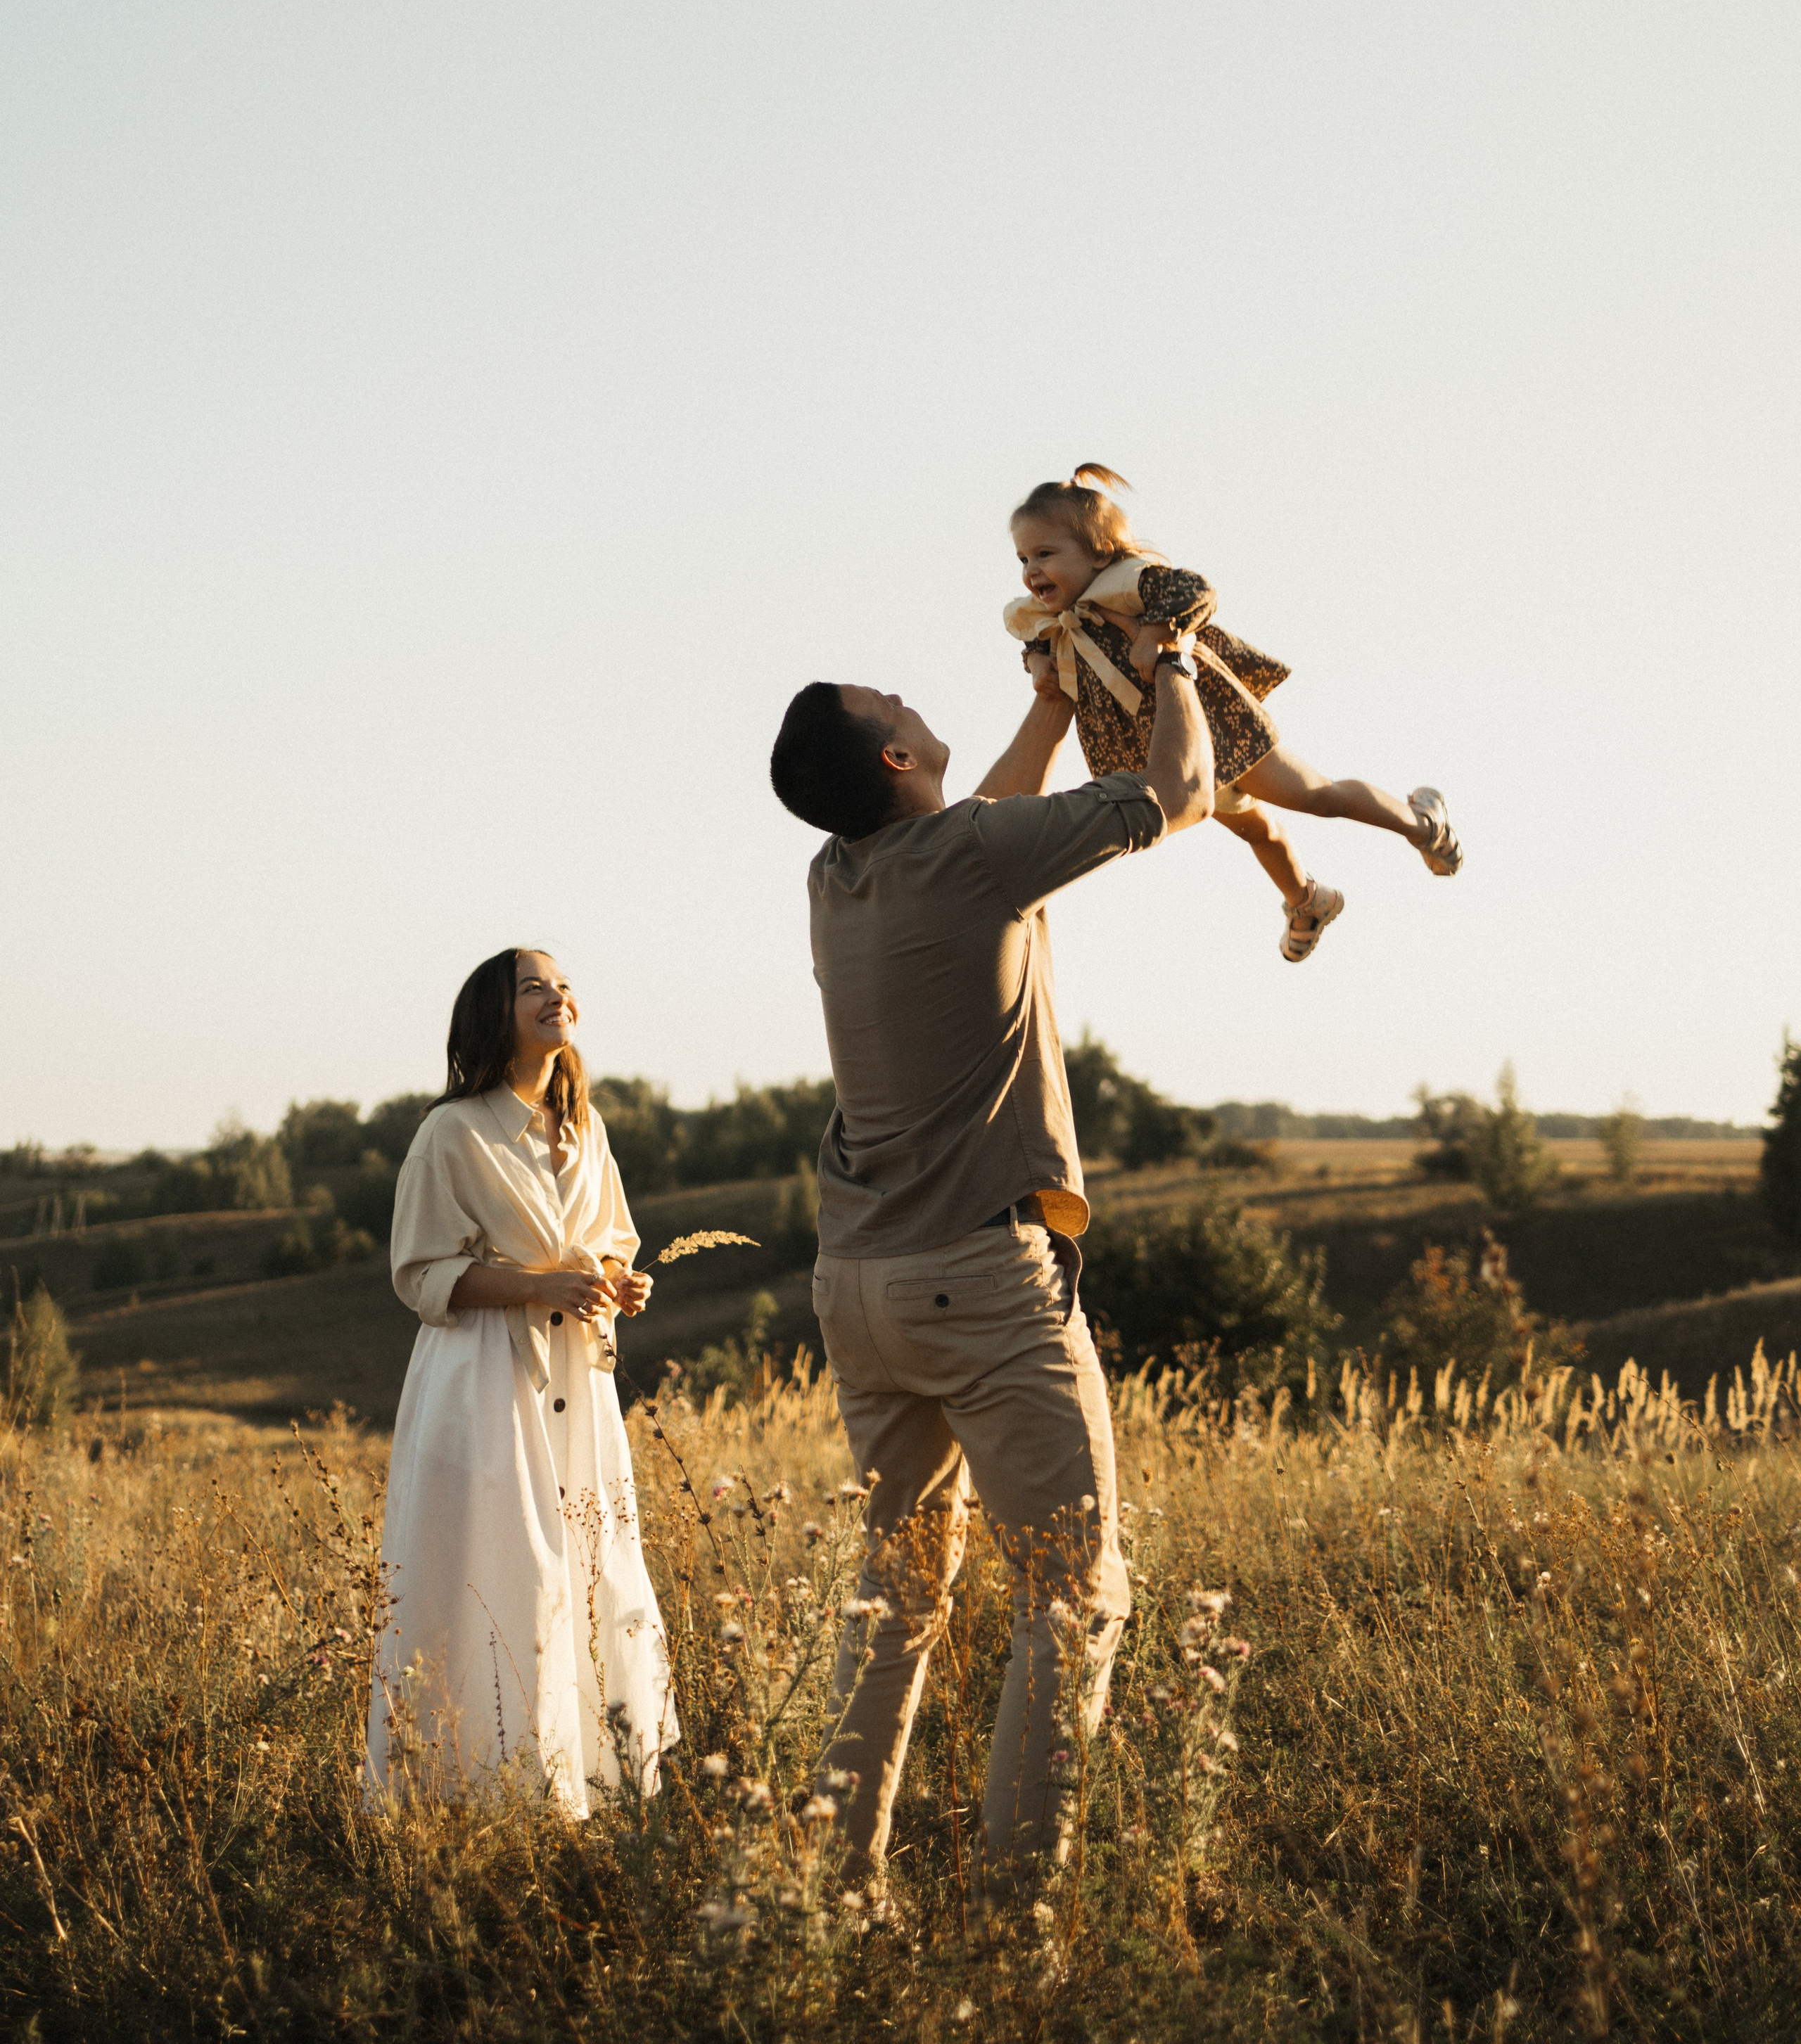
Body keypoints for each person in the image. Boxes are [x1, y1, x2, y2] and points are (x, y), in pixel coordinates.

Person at [768, 634, 1212, 1891]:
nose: (908, 689)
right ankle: (1017, 1909)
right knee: (1075, 1599)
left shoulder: (837, 876)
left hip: (859, 1290)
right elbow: (1177, 792)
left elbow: (988, 824)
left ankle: (837, 1886)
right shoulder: (966, 861)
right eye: (892, 701)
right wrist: (1172, 655)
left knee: (895, 1599)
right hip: (980, 1287)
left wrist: (1051, 707)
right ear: (899, 756)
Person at [366, 947, 677, 1817]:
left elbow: (612, 1236)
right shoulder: (452, 1132)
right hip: (483, 1381)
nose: (558, 994)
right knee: (498, 1575)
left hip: (579, 1383)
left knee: (587, 1571)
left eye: (564, 983)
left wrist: (622, 1281)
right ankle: (469, 1796)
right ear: (491, 1013)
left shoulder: (585, 1129)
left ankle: (578, 1794)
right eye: (534, 985)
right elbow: (422, 1272)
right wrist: (539, 1286)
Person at [1006, 464, 1463, 964]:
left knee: (1318, 797)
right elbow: (1032, 636)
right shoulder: (1049, 617)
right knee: (1257, 831)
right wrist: (1036, 662)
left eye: (1046, 555)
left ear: (1096, 551)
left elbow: (1197, 591)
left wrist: (1157, 631)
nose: (1031, 571)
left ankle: (1423, 823)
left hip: (1217, 731)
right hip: (1170, 756)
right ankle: (1307, 901)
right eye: (1024, 558)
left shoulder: (1130, 583)